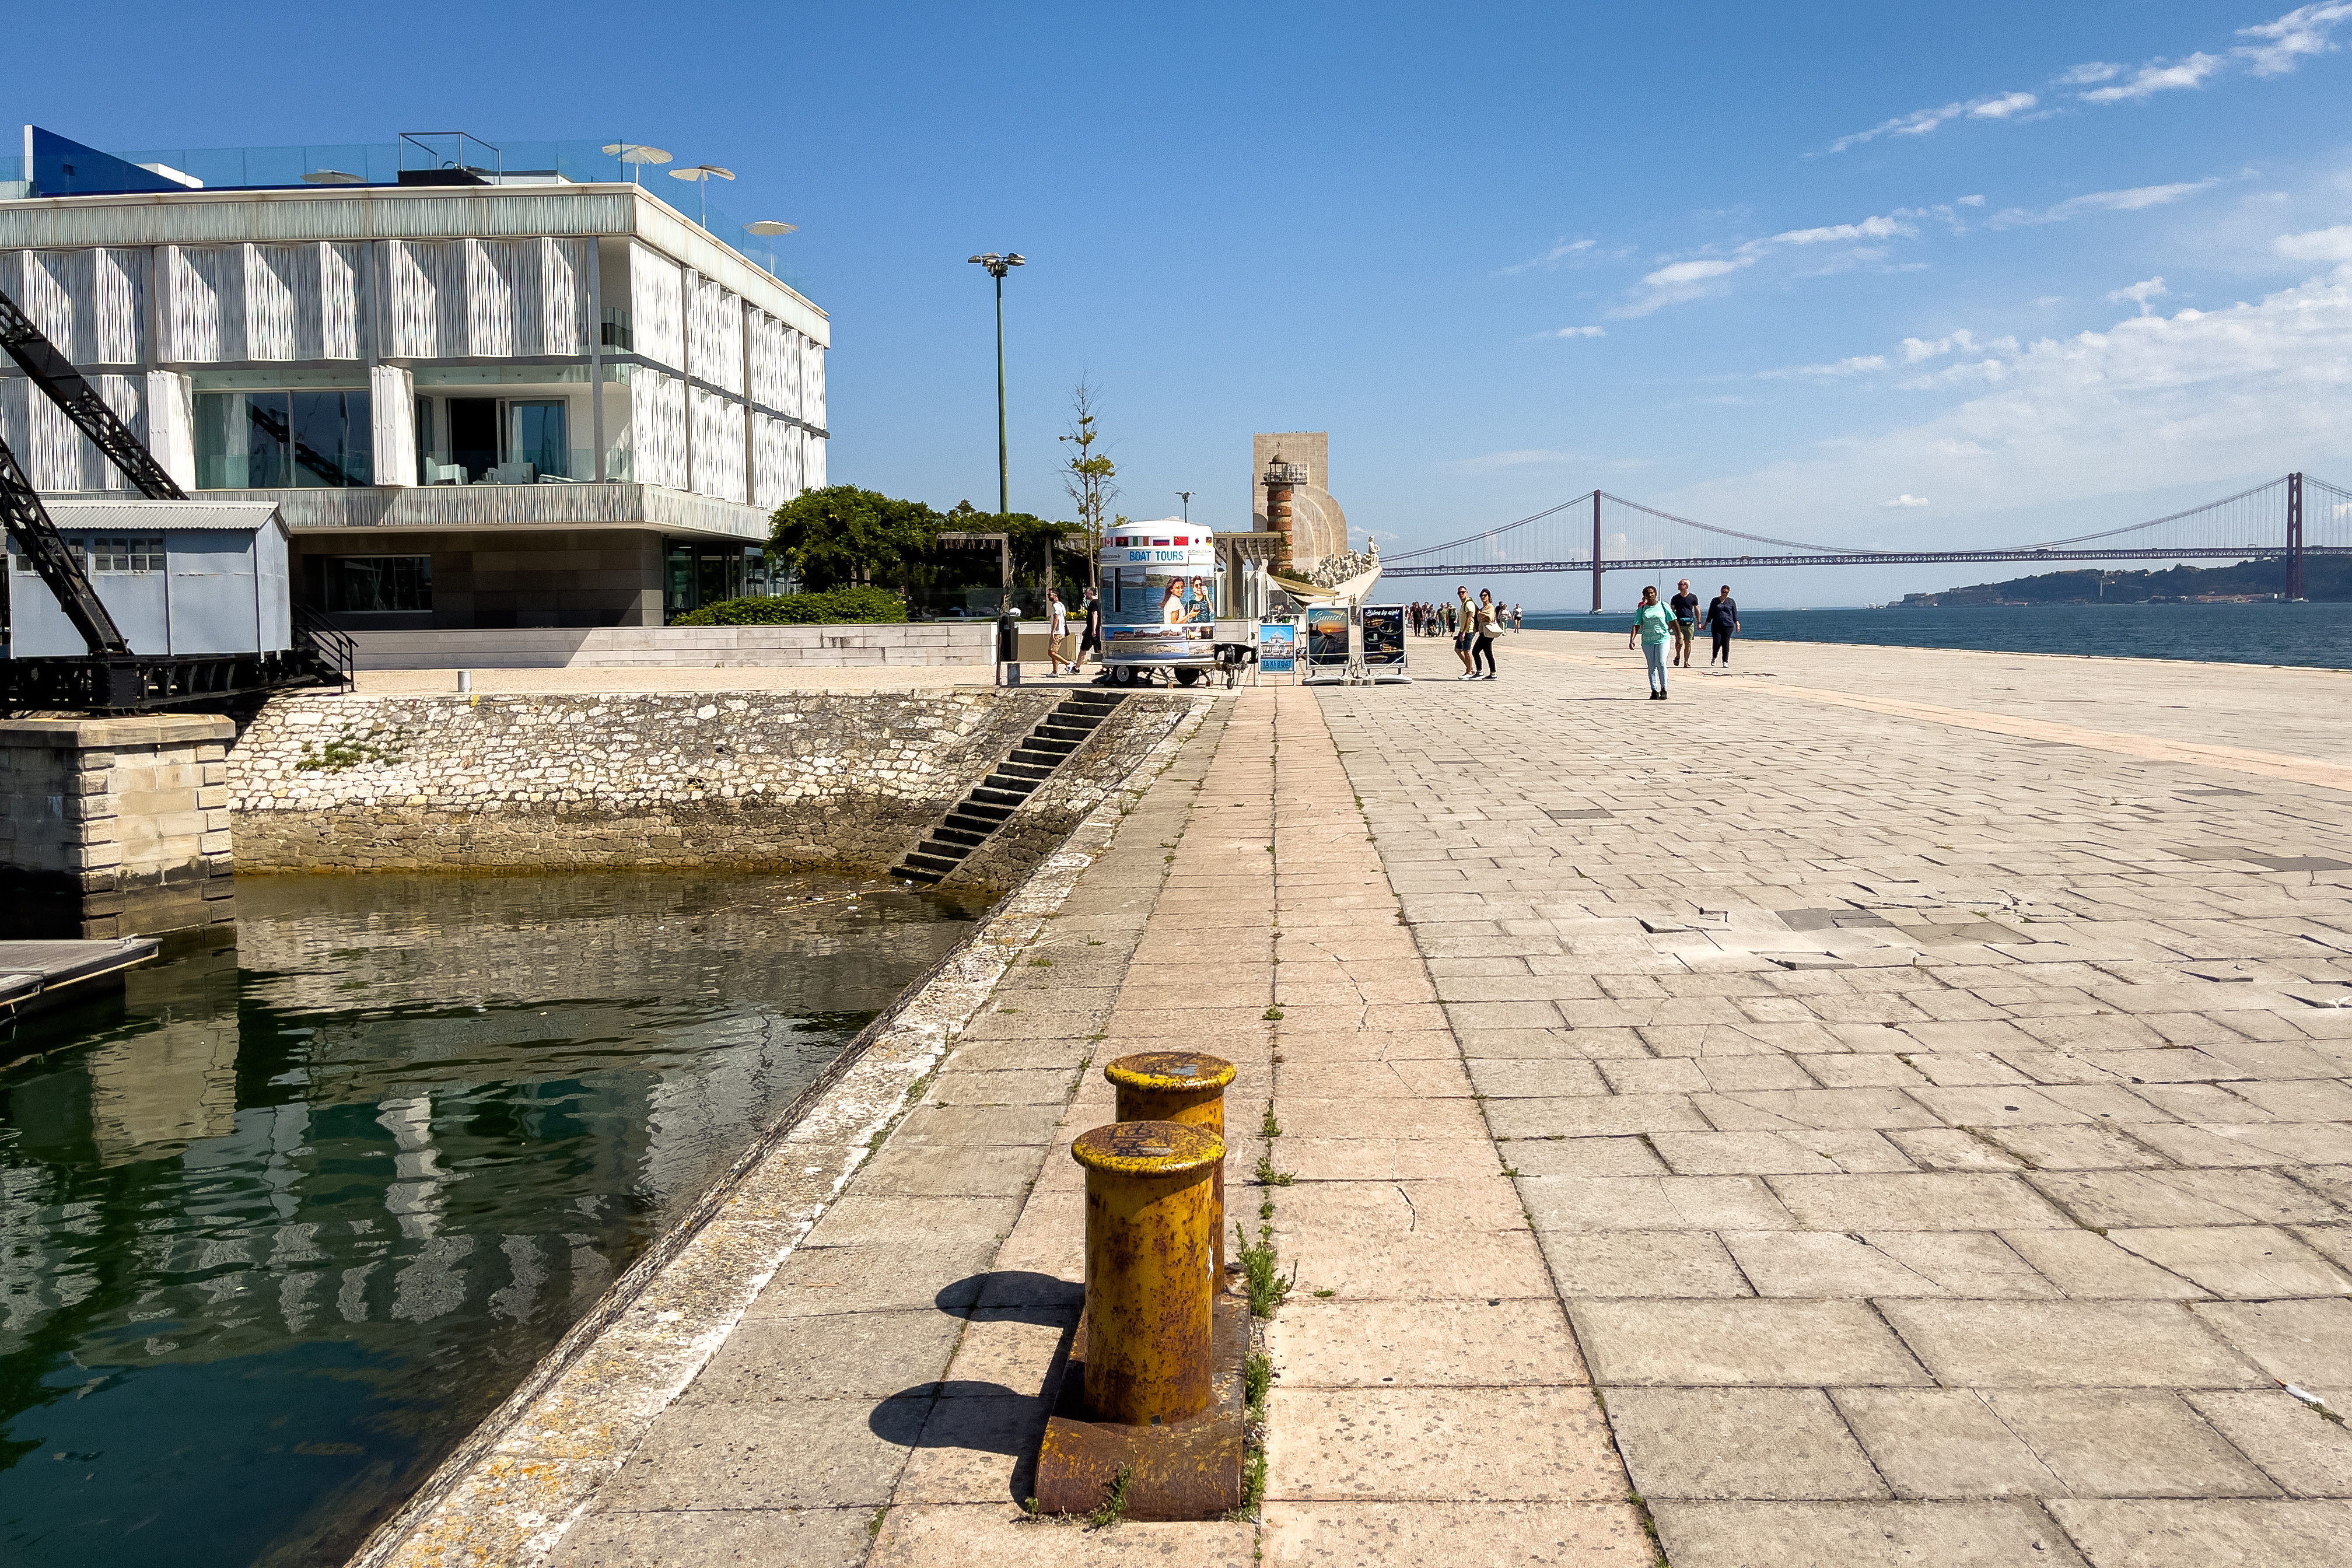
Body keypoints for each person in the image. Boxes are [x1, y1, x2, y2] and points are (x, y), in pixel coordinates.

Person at [1630, 585, 1674, 698]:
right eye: (1648, 593)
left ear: (1656, 594)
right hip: (1648, 640)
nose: (1650, 595)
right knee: (1652, 665)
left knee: (1661, 663)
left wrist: (1679, 637)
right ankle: (1654, 690)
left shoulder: (1663, 606)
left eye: (1652, 593)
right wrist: (1632, 639)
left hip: (1663, 638)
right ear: (1644, 596)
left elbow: (1673, 620)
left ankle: (1664, 689)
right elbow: (1637, 624)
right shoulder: (1642, 609)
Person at [1469, 589, 1502, 680]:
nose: (1483, 597)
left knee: (1475, 652)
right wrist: (1480, 615)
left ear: (1489, 596)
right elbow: (1480, 617)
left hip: (1487, 633)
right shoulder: (1483, 608)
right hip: (1484, 632)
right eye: (1481, 596)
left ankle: (1480, 672)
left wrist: (1480, 615)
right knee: (1488, 654)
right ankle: (1493, 674)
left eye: (1485, 595)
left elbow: (1490, 617)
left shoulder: (1490, 607)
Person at [1705, 584, 1740, 667]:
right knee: (1717, 642)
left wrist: (1737, 623)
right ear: (1721, 591)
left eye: (1726, 592)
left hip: (1728, 625)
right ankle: (1714, 657)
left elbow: (1734, 613)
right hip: (1717, 625)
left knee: (1726, 643)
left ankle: (1725, 661)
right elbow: (1711, 613)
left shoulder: (1731, 601)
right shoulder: (1715, 601)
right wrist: (1705, 624)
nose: (1724, 593)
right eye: (1723, 592)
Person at [1668, 578, 1699, 669]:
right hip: (1678, 624)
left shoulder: (1693, 597)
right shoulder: (1675, 598)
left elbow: (1697, 610)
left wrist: (1699, 622)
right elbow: (1671, 611)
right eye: (1679, 584)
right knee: (1680, 641)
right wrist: (1671, 624)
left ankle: (1686, 662)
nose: (1679, 586)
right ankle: (1678, 655)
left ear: (1686, 586)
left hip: (1690, 623)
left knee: (1688, 642)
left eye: (1681, 584)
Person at [1453, 586, 1478, 677]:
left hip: (1469, 630)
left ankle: (1470, 672)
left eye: (1463, 592)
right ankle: (1470, 668)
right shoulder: (1464, 604)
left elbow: (1469, 618)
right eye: (1459, 593)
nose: (1461, 594)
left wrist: (1464, 632)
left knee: (1467, 651)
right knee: (1458, 649)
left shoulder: (1469, 604)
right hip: (1463, 630)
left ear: (1467, 593)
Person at [1046, 589, 1072, 675]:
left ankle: (1068, 663)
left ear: (1055, 595)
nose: (1049, 596)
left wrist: (1053, 632)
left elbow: (1056, 619)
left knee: (1051, 652)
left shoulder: (1055, 606)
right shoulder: (1061, 605)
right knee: (1055, 652)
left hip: (1057, 632)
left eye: (1050, 595)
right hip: (1062, 632)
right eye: (1048, 595)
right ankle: (1055, 671)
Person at [1080, 586, 1104, 668]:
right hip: (1097, 630)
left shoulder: (1093, 603)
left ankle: (1077, 667)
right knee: (1100, 649)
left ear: (1091, 593)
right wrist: (1086, 629)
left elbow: (1095, 616)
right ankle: (1105, 668)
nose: (1085, 595)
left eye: (1086, 593)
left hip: (1092, 631)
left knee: (1083, 649)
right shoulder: (1099, 603)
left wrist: (1093, 630)